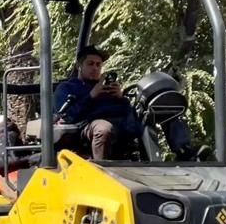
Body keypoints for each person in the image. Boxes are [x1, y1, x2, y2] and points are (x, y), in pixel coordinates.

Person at [53, 45, 207, 161]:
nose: (95, 68)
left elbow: (127, 109)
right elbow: (68, 115)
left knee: (162, 110)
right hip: (89, 124)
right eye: (90, 64)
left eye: (98, 65)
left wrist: (121, 97)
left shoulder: (107, 86)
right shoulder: (67, 87)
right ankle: (102, 168)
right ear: (79, 66)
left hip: (123, 122)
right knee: (104, 128)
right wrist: (92, 94)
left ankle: (184, 152)